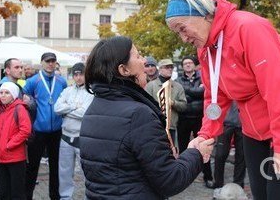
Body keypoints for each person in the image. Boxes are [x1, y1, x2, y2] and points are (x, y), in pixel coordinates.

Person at [165, 0, 280, 200]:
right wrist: (205, 135)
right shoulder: (206, 49)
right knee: (260, 195)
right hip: (254, 126)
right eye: (177, 33)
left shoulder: (248, 28)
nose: (183, 38)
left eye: (182, 28)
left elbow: (275, 87)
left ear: (202, 14)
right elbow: (215, 96)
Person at [79, 36, 214, 199]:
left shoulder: (94, 108)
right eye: (138, 56)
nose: (144, 61)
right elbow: (170, 180)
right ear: (124, 70)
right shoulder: (138, 115)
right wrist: (196, 153)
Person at [23, 52, 68, 200]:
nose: (50, 64)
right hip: (38, 131)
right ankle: (27, 196)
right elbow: (24, 100)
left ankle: (54, 196)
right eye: (47, 61)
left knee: (55, 167)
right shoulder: (33, 81)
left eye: (53, 61)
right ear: (41, 63)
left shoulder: (61, 81)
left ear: (55, 63)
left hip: (56, 131)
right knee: (32, 166)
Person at [54, 62, 93, 199]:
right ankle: (65, 197)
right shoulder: (67, 91)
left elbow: (85, 113)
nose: (78, 77)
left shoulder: (91, 92)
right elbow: (57, 108)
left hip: (82, 137)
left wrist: (67, 109)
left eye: (81, 74)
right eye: (75, 74)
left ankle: (89, 197)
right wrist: (74, 107)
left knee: (86, 172)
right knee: (64, 172)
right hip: (65, 137)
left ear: (86, 75)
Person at [176, 55, 213, 188]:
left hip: (200, 118)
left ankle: (208, 177)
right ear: (182, 66)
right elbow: (182, 98)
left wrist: (188, 91)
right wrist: (196, 92)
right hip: (184, 119)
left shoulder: (203, 77)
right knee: (184, 149)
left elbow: (203, 93)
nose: (187, 65)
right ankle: (183, 177)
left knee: (204, 148)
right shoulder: (178, 80)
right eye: (185, 63)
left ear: (194, 64)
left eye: (189, 63)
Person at [0, 82, 31, 200]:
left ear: (14, 95)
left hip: (15, 158)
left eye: (7, 93)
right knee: (3, 191)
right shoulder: (1, 110)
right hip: (1, 158)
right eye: (1, 92)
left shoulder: (19, 108)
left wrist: (9, 145)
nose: (3, 95)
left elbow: (25, 130)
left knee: (17, 192)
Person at [145, 58, 187, 145]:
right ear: (160, 69)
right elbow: (145, 105)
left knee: (172, 152)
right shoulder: (151, 86)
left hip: (172, 126)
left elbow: (184, 106)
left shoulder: (178, 86)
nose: (170, 69)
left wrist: (173, 103)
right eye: (167, 67)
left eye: (171, 67)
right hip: (155, 126)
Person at [213, 101, 246, 189]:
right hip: (226, 122)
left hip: (242, 124)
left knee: (241, 155)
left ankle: (238, 183)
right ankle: (218, 183)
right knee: (220, 154)